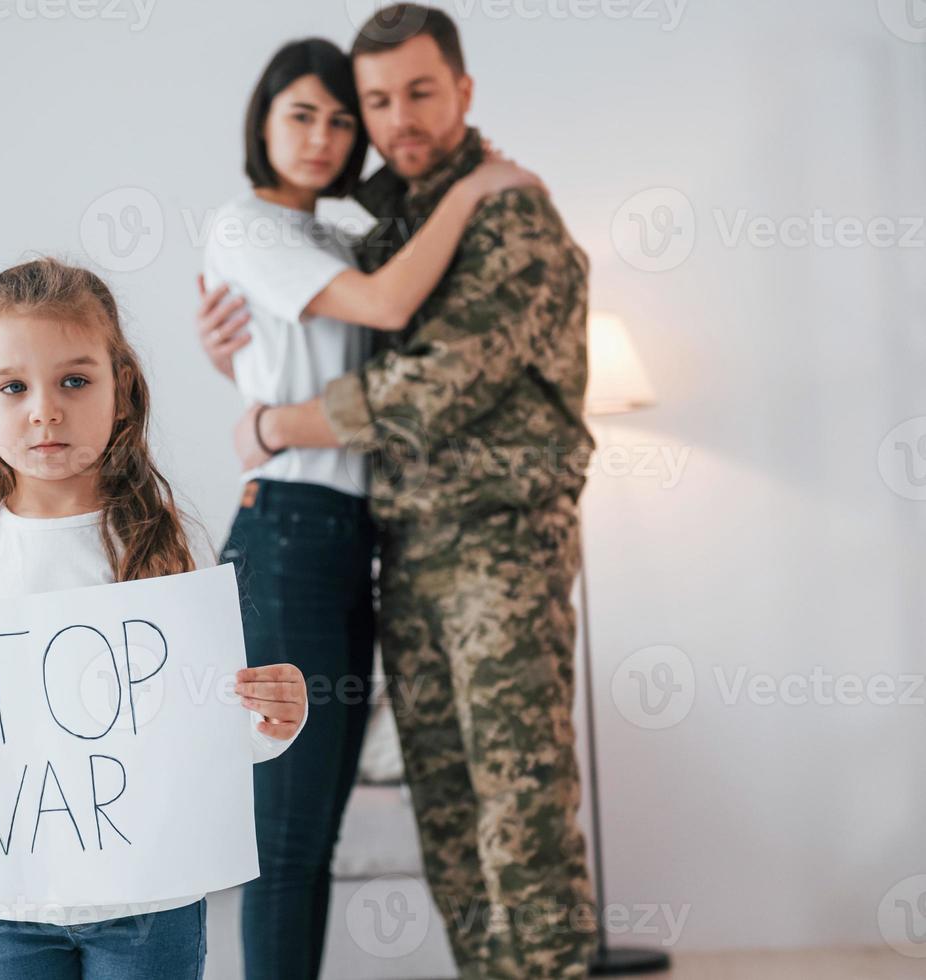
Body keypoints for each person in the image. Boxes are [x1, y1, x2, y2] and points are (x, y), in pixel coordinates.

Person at [196, 7, 599, 978]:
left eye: (418, 92)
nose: (390, 119)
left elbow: (434, 383)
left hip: (499, 544)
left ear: (463, 90)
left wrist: (270, 423)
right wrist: (238, 373)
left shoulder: (508, 210)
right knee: (450, 820)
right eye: (374, 101)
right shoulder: (384, 224)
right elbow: (338, 320)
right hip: (395, 548)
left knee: (520, 808)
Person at [0, 256, 309, 979]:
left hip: (149, 898)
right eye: (13, 387)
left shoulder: (167, 546)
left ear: (121, 390)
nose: (45, 409)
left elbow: (207, 736)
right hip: (2, 907)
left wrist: (275, 722)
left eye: (75, 380)